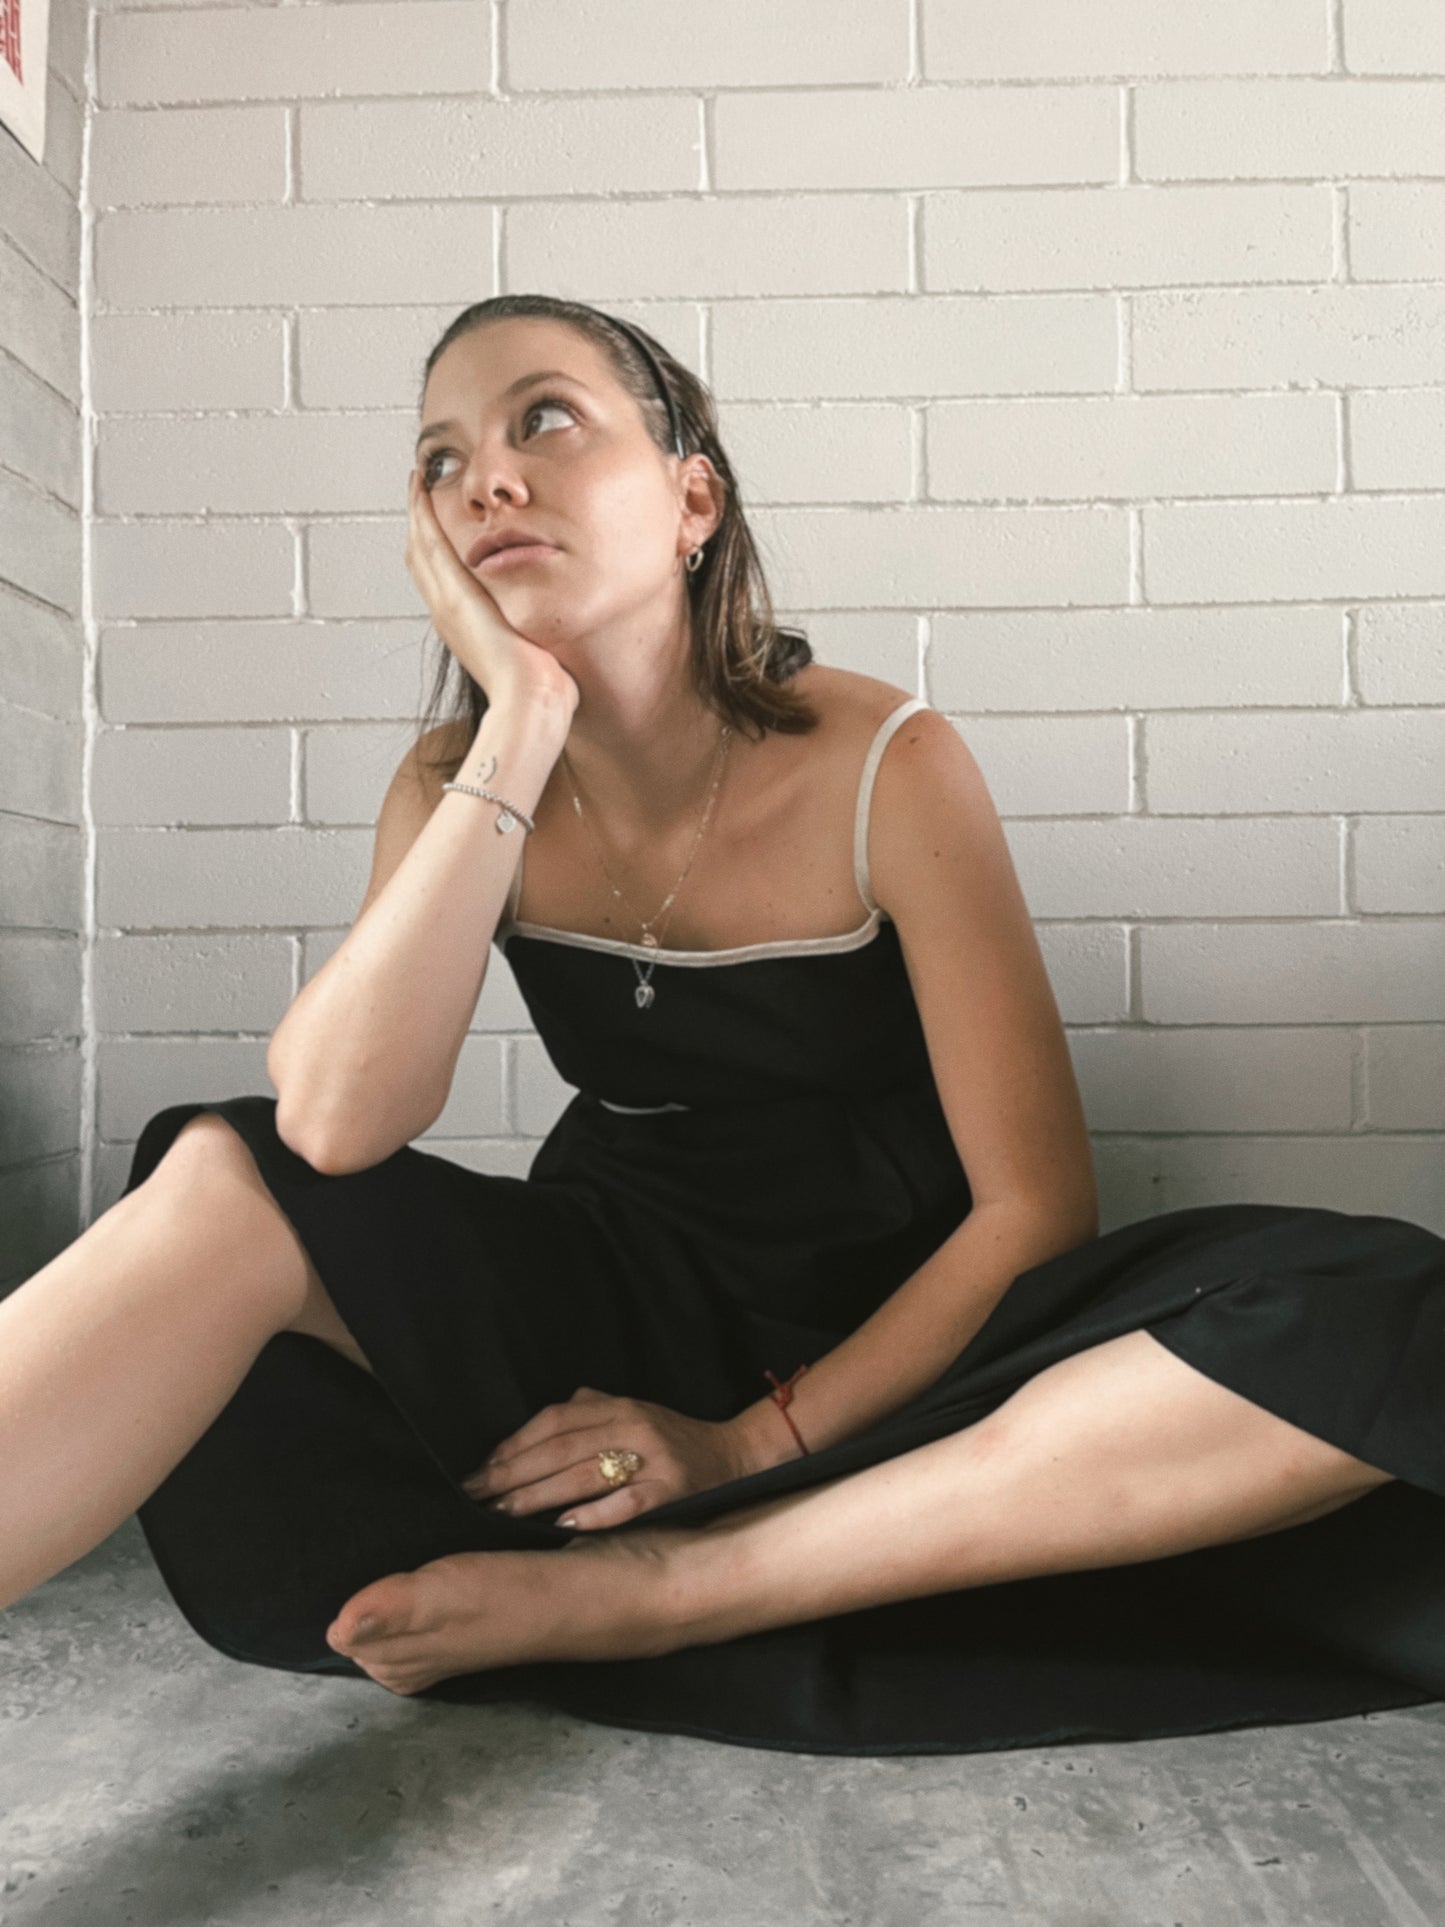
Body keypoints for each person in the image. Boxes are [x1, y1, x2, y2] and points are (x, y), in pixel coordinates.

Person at [5, 294, 1444, 1758]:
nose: (486, 479)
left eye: (544, 420)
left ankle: (677, 1588)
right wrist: (518, 720)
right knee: (227, 1176)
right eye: (440, 460)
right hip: (617, 1301)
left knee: (1379, 1310)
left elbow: (1032, 1209)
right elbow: (334, 1123)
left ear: (692, 499)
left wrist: (748, 1445)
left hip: (902, 1343)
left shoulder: (886, 761)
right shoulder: (457, 778)